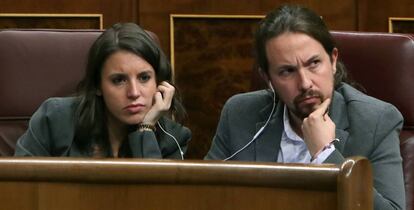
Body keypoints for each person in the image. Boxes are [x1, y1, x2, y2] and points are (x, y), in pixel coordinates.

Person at [205, 5, 405, 210]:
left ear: (333, 60)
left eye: (314, 63)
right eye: (287, 71)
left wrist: (326, 154)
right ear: (268, 78)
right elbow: (204, 196)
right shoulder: (240, 113)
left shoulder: (376, 121)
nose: (305, 83)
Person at [15, 23, 191, 159]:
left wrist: (146, 129)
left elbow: (158, 200)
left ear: (159, 82)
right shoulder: (54, 118)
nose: (134, 92)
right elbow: (19, 187)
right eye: (119, 80)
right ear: (98, 86)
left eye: (144, 78)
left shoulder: (174, 139)